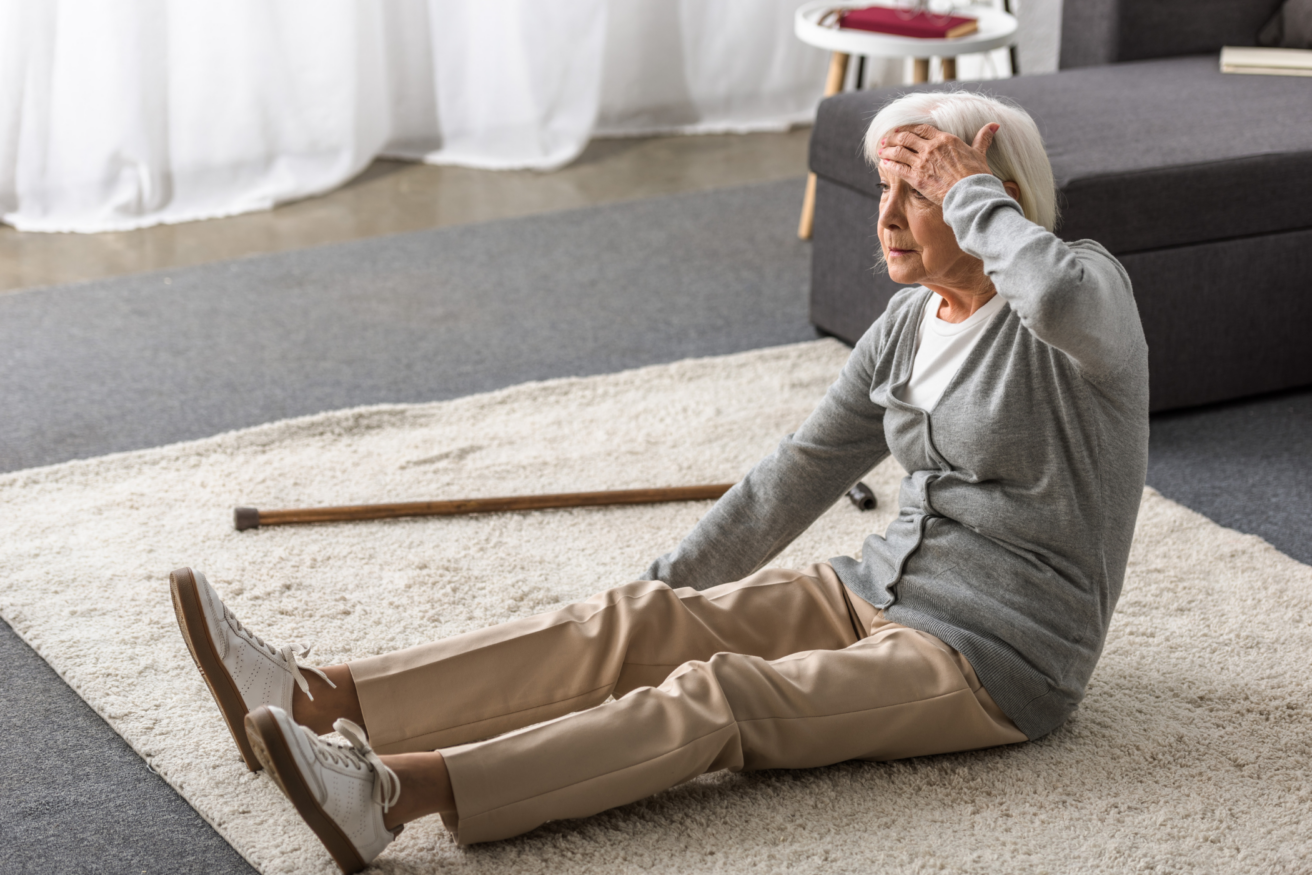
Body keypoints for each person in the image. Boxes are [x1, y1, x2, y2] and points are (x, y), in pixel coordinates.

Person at [169, 90, 1148, 874]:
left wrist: (973, 193)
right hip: (872, 587)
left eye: (918, 191)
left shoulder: (1082, 300)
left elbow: (1054, 290)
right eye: (882, 189)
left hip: (997, 654)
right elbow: (796, 471)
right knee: (636, 624)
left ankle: (391, 792)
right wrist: (656, 591)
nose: (885, 217)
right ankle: (314, 694)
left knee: (718, 698)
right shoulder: (904, 324)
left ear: (991, 195)